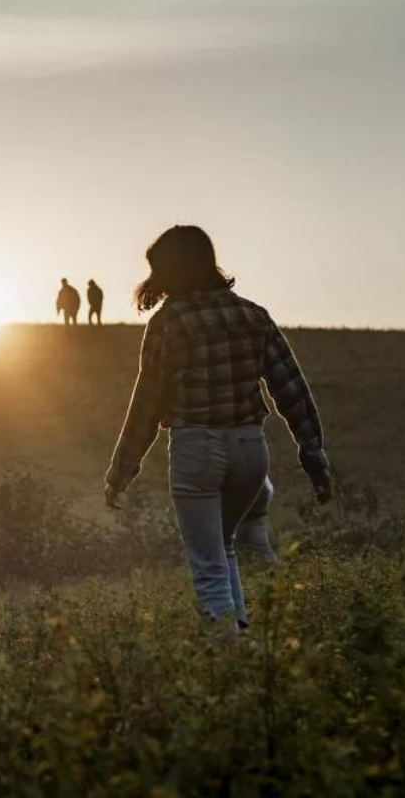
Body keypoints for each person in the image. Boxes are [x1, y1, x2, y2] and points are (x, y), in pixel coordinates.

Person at [104, 225, 333, 634]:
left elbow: (146, 402)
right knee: (222, 547)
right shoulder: (253, 314)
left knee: (208, 567)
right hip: (250, 450)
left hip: (197, 449)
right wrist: (312, 454)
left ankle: (227, 660)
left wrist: (121, 471)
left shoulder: (167, 323)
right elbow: (291, 389)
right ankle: (241, 638)